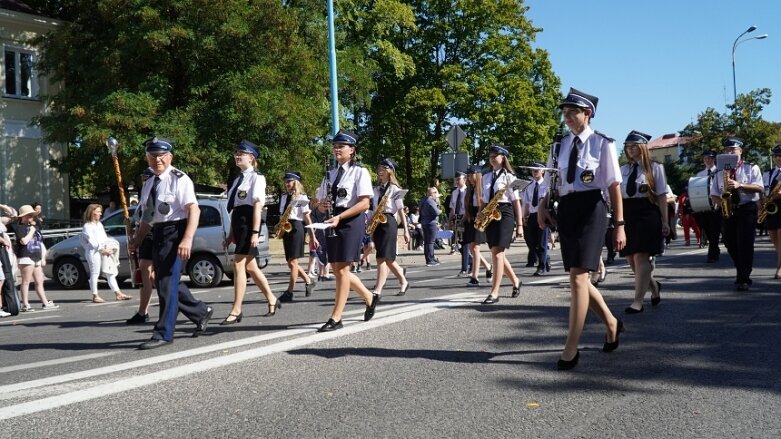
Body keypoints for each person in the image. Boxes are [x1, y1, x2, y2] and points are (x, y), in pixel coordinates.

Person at [537, 88, 625, 370]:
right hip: (567, 209)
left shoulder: (602, 143)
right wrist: (542, 206)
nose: (568, 118)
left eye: (573, 113)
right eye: (565, 113)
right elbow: (553, 182)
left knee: (578, 278)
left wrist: (619, 226)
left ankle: (570, 348)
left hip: (592, 209)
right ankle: (612, 323)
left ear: (588, 114)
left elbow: (613, 186)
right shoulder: (558, 146)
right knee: (581, 279)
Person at [128, 137, 213, 349]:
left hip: (176, 232)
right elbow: (148, 217)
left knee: (165, 283)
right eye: (153, 156)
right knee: (165, 280)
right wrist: (137, 240)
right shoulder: (148, 183)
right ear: (147, 158)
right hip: (158, 233)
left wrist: (187, 239)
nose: (157, 160)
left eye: (161, 155)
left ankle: (163, 333)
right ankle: (201, 311)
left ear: (170, 157)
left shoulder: (180, 179)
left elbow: (194, 209)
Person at [315, 131, 379, 332]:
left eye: (341, 146)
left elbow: (364, 203)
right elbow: (317, 202)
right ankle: (369, 297)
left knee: (342, 269)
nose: (336, 149)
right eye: (335, 146)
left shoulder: (360, 172)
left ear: (352, 150)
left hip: (350, 221)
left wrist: (340, 217)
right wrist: (322, 207)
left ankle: (336, 317)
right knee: (336, 268)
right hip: (332, 220)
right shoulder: (330, 174)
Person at [221, 140, 280, 324]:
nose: (237, 156)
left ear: (251, 158)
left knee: (238, 265)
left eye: (242, 153)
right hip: (239, 222)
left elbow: (256, 207)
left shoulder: (257, 178)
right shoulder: (238, 179)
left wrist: (255, 232)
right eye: (236, 153)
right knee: (251, 267)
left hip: (249, 223)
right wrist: (231, 232)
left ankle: (236, 309)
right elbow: (235, 208)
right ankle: (271, 298)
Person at [618, 131, 669, 313]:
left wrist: (665, 221)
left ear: (642, 148)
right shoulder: (622, 170)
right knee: (630, 258)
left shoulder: (655, 168)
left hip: (647, 213)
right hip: (628, 213)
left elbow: (662, 196)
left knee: (641, 256)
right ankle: (654, 286)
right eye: (628, 147)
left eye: (634, 146)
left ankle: (637, 301)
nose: (630, 150)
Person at [709, 137, 763, 291]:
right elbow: (713, 194)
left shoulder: (751, 168)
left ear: (740, 151)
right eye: (727, 150)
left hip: (747, 208)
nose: (729, 152)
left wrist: (741, 185)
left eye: (733, 150)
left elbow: (759, 188)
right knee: (728, 241)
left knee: (745, 243)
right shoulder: (720, 172)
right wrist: (724, 204)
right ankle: (742, 268)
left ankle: (743, 277)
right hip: (729, 210)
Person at [480, 144, 523, 304]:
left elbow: (516, 201)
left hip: (504, 213)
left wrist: (519, 225)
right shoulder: (485, 177)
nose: (492, 158)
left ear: (503, 157)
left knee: (498, 254)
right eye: (490, 156)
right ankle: (516, 281)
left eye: (495, 156)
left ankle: (494, 292)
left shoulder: (510, 177)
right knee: (496, 253)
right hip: (490, 214)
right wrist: (481, 212)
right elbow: (484, 199)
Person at [369, 158, 410, 296]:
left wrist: (406, 230)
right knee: (388, 259)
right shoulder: (374, 189)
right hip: (377, 222)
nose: (380, 171)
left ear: (390, 171)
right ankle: (403, 281)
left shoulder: (395, 189)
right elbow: (371, 208)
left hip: (389, 222)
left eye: (383, 169)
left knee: (381, 257)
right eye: (379, 169)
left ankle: (377, 290)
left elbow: (400, 210)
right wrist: (368, 222)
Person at [278, 171, 318, 302]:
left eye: (289, 181)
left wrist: (313, 235)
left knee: (294, 262)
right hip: (286, 226)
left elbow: (306, 217)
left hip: (296, 228)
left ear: (296, 182)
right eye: (286, 181)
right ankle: (308, 281)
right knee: (290, 262)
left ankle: (290, 291)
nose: (287, 184)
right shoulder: (284, 197)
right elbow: (281, 213)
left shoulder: (302, 197)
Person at [80, 203, 132, 303]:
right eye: (98, 212)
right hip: (93, 252)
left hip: (104, 250)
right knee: (95, 273)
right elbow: (92, 241)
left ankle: (118, 293)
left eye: (100, 212)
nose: (100, 214)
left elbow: (104, 238)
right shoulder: (87, 226)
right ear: (92, 213)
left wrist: (110, 248)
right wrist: (102, 250)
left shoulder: (99, 224)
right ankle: (95, 295)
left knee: (110, 272)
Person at [11, 205, 58, 311]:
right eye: (28, 215)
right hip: (25, 256)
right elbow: (23, 241)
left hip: (36, 256)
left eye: (31, 215)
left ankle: (45, 302)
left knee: (39, 281)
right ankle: (25, 304)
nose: (30, 217)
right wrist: (31, 231)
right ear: (22, 217)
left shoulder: (35, 228)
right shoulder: (19, 227)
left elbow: (40, 243)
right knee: (26, 281)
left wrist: (43, 257)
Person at [127, 168, 156, 325]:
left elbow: (148, 219)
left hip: (152, 234)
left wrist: (138, 238)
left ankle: (184, 305)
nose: (145, 181)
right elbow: (139, 220)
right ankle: (142, 311)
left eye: (147, 178)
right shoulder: (143, 196)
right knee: (147, 274)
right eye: (144, 178)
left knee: (150, 273)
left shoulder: (152, 192)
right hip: (144, 236)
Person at [463, 165, 492, 287]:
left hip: (480, 217)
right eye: (468, 175)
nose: (469, 178)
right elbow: (467, 207)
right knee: (471, 248)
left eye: (471, 175)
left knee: (475, 248)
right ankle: (488, 267)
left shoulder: (483, 188)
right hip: (471, 218)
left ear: (477, 175)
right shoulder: (469, 190)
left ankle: (474, 277)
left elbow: (486, 205)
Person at [692, 149, 722, 263]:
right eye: (706, 158)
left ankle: (712, 254)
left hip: (717, 205)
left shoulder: (720, 172)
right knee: (708, 229)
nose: (708, 160)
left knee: (715, 230)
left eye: (710, 158)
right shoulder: (700, 174)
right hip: (704, 205)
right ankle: (715, 248)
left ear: (714, 159)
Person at [521, 163, 551, 276]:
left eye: (537, 170)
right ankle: (545, 257)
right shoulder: (529, 186)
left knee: (542, 243)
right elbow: (527, 202)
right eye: (533, 170)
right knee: (532, 243)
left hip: (543, 215)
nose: (535, 172)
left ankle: (541, 266)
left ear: (543, 171)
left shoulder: (547, 185)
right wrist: (524, 216)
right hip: (532, 216)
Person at [764, 145, 781, 279]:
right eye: (776, 156)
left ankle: (780, 267)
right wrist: (762, 201)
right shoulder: (768, 173)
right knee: (774, 237)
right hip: (772, 207)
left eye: (780, 155)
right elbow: (763, 189)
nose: (778, 158)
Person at [448, 171, 470, 275]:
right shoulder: (454, 192)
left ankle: (464, 267)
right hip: (456, 218)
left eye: (459, 179)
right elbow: (452, 208)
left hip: (465, 217)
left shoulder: (468, 191)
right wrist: (450, 221)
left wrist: (463, 220)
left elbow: (467, 208)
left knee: (465, 243)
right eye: (455, 179)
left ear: (464, 179)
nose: (457, 181)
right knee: (457, 244)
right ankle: (471, 261)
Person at [419, 186, 441, 266]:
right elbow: (436, 212)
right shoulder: (430, 201)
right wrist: (440, 210)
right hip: (431, 223)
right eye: (436, 193)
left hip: (424, 222)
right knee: (431, 242)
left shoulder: (423, 200)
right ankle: (430, 260)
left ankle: (428, 259)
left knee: (427, 242)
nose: (436, 195)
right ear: (432, 193)